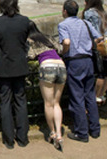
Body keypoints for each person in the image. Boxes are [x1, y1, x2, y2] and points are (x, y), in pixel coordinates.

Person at [0, 0, 33, 149]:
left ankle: (8, 139)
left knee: (5, 101)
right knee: (21, 101)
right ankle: (23, 137)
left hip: (3, 65)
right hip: (20, 64)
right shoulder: (25, 21)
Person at [58, 0, 101, 143]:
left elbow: (66, 42)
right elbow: (98, 38)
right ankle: (95, 129)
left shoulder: (63, 25)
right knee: (90, 95)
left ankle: (82, 132)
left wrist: (63, 53)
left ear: (64, 11)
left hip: (74, 61)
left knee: (77, 97)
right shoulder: (86, 23)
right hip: (88, 60)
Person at [28, 23, 66, 151]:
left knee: (48, 103)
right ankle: (60, 134)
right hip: (60, 65)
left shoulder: (30, 40)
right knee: (56, 103)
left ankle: (52, 132)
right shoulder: (48, 37)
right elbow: (59, 49)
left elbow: (30, 56)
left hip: (47, 65)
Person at [82, 0, 107, 105]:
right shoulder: (103, 13)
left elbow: (91, 30)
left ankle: (96, 96)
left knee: (100, 72)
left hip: (103, 44)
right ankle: (102, 94)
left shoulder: (89, 13)